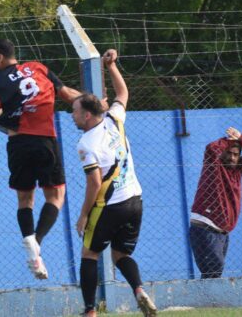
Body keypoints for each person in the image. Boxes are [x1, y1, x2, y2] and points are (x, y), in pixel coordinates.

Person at [0, 39, 81, 279]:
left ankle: (31, 247)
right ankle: (37, 240)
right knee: (56, 195)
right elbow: (68, 95)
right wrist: (94, 102)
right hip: (44, 140)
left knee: (25, 199)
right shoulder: (37, 67)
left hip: (17, 143)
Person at [72, 49, 156, 317]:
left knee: (89, 254)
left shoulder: (86, 144)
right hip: (135, 200)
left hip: (110, 206)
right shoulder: (114, 119)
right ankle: (139, 290)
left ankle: (89, 311)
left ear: (87, 115)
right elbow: (123, 93)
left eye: (75, 111)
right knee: (120, 255)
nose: (72, 115)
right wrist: (112, 66)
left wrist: (84, 215)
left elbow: (94, 184)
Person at [189, 126, 242, 279]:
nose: (232, 157)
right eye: (229, 153)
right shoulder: (214, 166)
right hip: (205, 227)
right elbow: (211, 148)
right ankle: (207, 295)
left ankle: (205, 294)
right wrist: (228, 140)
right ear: (223, 153)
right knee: (214, 270)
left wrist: (241, 138)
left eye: (236, 155)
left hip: (222, 232)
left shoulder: (237, 172)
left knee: (213, 273)